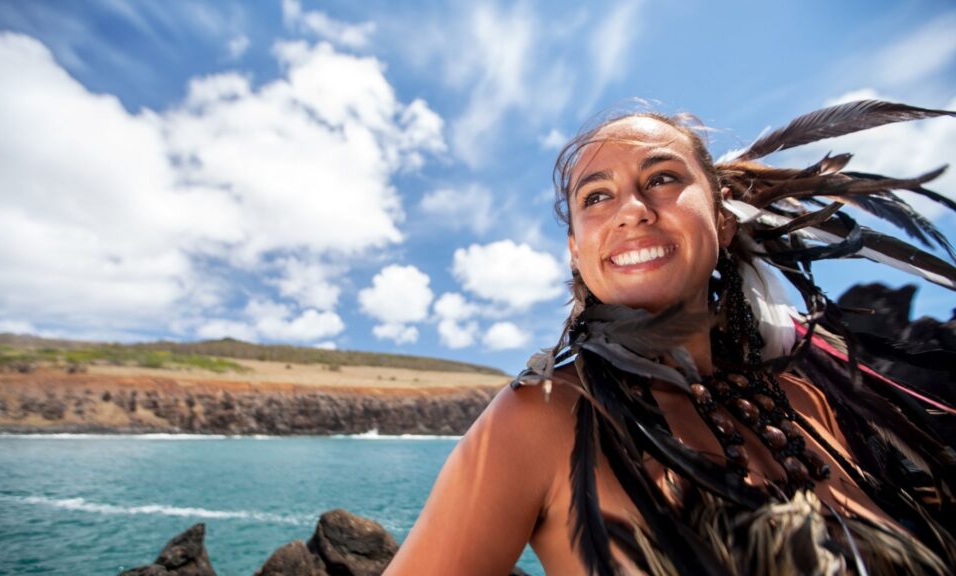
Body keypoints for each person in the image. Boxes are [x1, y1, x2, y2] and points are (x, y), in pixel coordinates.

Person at [385, 101, 956, 575]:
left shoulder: (808, 403)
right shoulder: (542, 418)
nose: (631, 211)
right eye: (596, 196)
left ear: (723, 219)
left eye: (662, 179)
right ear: (578, 252)